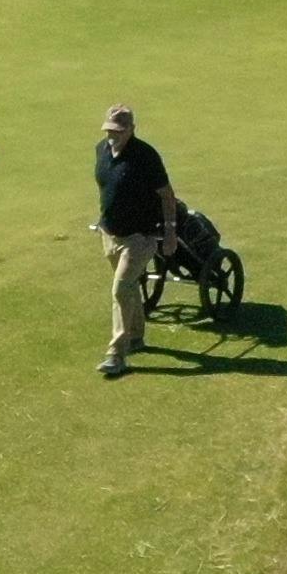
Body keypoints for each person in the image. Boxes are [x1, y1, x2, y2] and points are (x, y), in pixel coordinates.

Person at [95, 104, 179, 375]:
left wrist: (170, 232)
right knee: (128, 289)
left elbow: (167, 195)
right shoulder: (102, 150)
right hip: (110, 233)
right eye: (109, 130)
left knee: (120, 289)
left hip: (140, 237)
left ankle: (116, 355)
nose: (112, 135)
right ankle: (136, 337)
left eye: (119, 131)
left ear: (132, 129)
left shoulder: (145, 156)